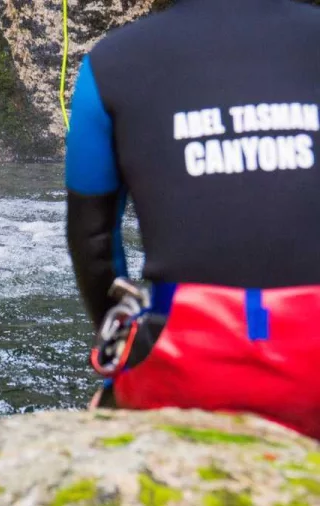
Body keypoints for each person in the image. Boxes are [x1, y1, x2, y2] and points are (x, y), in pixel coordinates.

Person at [64, 0, 320, 437]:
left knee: (105, 412)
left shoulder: (108, 65)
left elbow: (92, 241)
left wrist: (123, 352)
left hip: (188, 366)